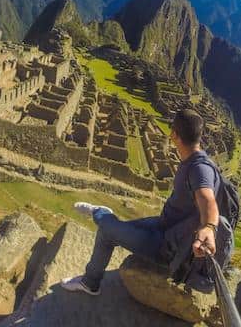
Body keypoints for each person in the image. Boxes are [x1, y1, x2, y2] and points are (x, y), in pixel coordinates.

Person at [61, 108, 224, 295]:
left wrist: (209, 227)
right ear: (199, 135)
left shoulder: (199, 169)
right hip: (166, 226)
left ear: (174, 135)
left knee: (107, 229)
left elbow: (207, 199)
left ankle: (91, 277)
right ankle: (104, 219)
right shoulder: (198, 161)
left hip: (167, 247)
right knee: (116, 230)